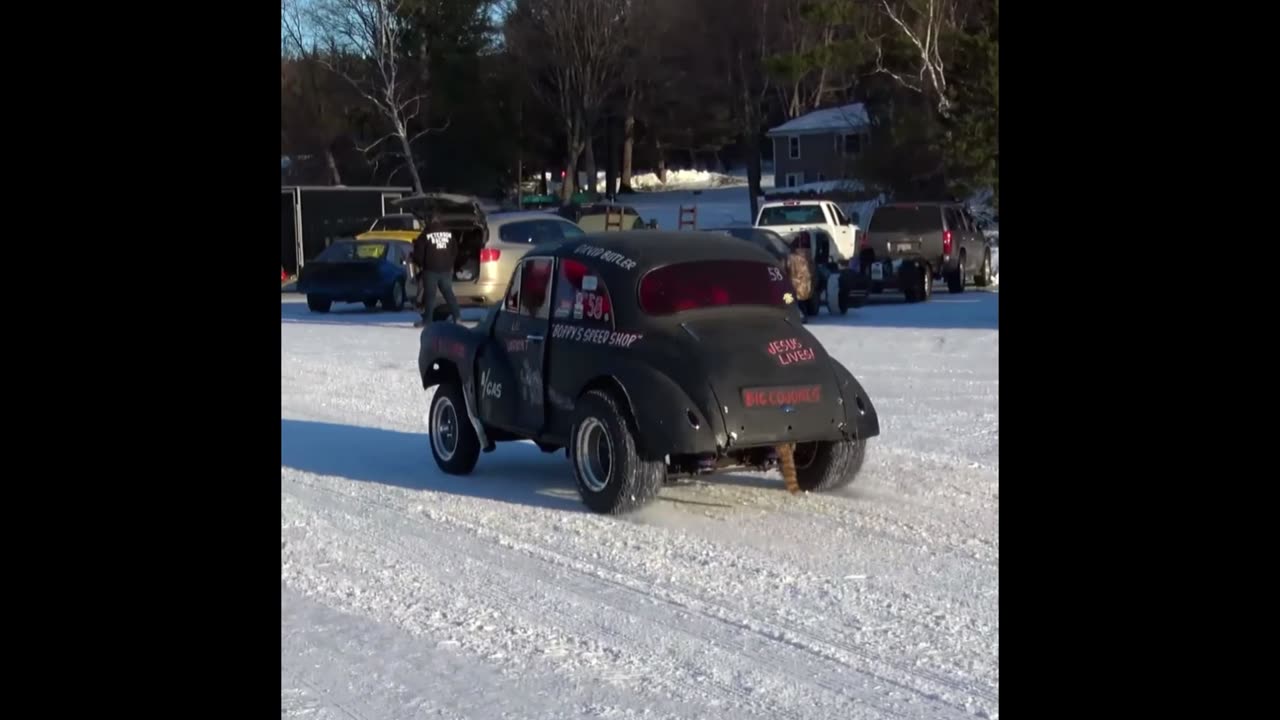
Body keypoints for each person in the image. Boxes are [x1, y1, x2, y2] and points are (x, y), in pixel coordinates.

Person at [412, 213, 464, 328]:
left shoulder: (425, 235)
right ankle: (457, 318)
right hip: (446, 270)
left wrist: (421, 264)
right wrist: (449, 263)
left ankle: (428, 321)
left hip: (430, 270)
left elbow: (418, 255)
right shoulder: (449, 234)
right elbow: (455, 251)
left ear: (428, 221)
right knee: (449, 294)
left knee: (430, 296)